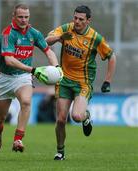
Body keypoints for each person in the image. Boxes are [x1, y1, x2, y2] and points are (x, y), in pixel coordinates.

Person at [46, 5, 116, 160]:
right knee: (61, 119)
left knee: (76, 116)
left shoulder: (95, 38)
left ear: (88, 21)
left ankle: (86, 117)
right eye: (75, 18)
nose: (76, 21)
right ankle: (60, 152)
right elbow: (46, 41)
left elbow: (112, 56)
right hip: (64, 80)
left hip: (83, 83)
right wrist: (59, 38)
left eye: (81, 19)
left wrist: (107, 81)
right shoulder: (66, 29)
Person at [0, 4, 62, 152]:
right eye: (20, 17)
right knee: (0, 118)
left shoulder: (34, 33)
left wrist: (57, 69)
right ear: (14, 17)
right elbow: (9, 60)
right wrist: (33, 69)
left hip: (23, 77)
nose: (24, 20)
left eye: (26, 17)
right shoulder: (7, 34)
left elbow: (49, 52)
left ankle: (18, 139)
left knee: (26, 102)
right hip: (5, 78)